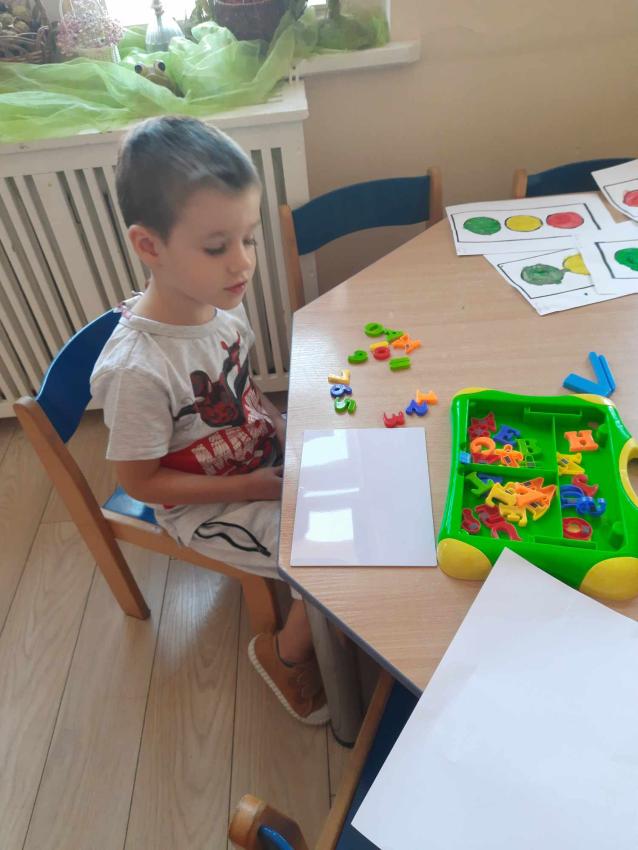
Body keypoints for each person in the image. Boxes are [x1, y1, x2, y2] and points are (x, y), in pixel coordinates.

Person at [91, 116, 327, 725]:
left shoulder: (222, 316)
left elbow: (246, 393)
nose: (243, 264)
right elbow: (141, 483)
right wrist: (250, 486)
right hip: (207, 507)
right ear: (149, 246)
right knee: (328, 562)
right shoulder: (138, 371)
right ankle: (284, 654)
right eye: (218, 247)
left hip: (258, 465)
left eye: (248, 238)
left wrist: (285, 428)